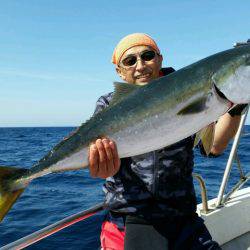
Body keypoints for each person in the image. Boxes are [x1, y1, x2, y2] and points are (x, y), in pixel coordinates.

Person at [88, 33, 246, 250]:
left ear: (160, 59)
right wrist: (100, 168)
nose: (140, 65)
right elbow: (98, 165)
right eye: (130, 60)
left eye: (147, 55)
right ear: (120, 71)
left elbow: (213, 147)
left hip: (183, 219)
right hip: (128, 222)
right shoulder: (109, 105)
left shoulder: (189, 89)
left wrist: (236, 105)